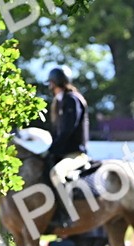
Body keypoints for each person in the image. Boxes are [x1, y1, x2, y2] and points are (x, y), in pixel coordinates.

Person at [45, 66, 90, 228]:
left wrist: (52, 149)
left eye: (51, 83)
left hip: (75, 153)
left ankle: (68, 214)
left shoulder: (71, 100)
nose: (50, 86)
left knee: (56, 173)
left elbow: (67, 130)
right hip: (63, 153)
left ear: (55, 83)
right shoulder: (59, 101)